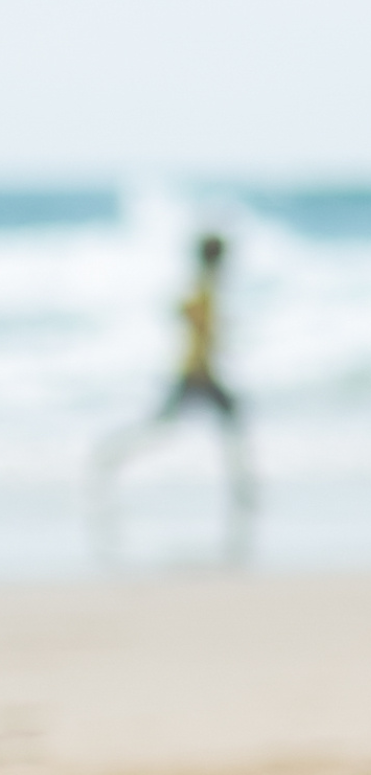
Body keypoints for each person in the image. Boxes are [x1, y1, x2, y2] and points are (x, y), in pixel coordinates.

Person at [91, 229, 254, 550]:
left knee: (213, 426)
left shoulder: (206, 287)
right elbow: (190, 317)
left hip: (199, 374)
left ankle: (242, 489)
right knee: (167, 428)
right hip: (196, 375)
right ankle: (110, 459)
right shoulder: (205, 288)